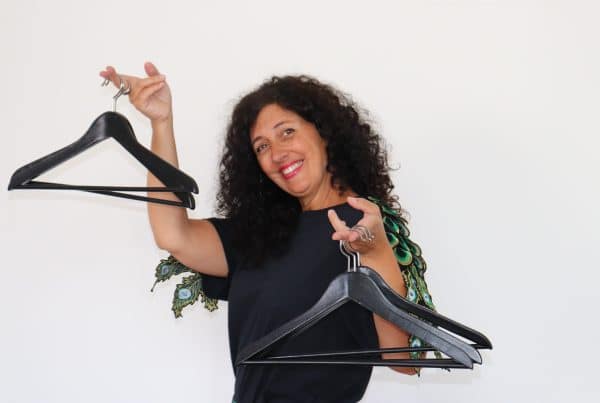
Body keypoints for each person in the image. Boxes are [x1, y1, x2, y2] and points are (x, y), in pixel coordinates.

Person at [100, 62, 437, 403]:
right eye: (261, 146)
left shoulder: (365, 225)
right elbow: (173, 235)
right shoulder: (261, 236)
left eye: (287, 132)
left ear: (323, 131)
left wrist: (375, 252)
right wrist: (161, 123)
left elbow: (406, 359)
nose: (276, 154)